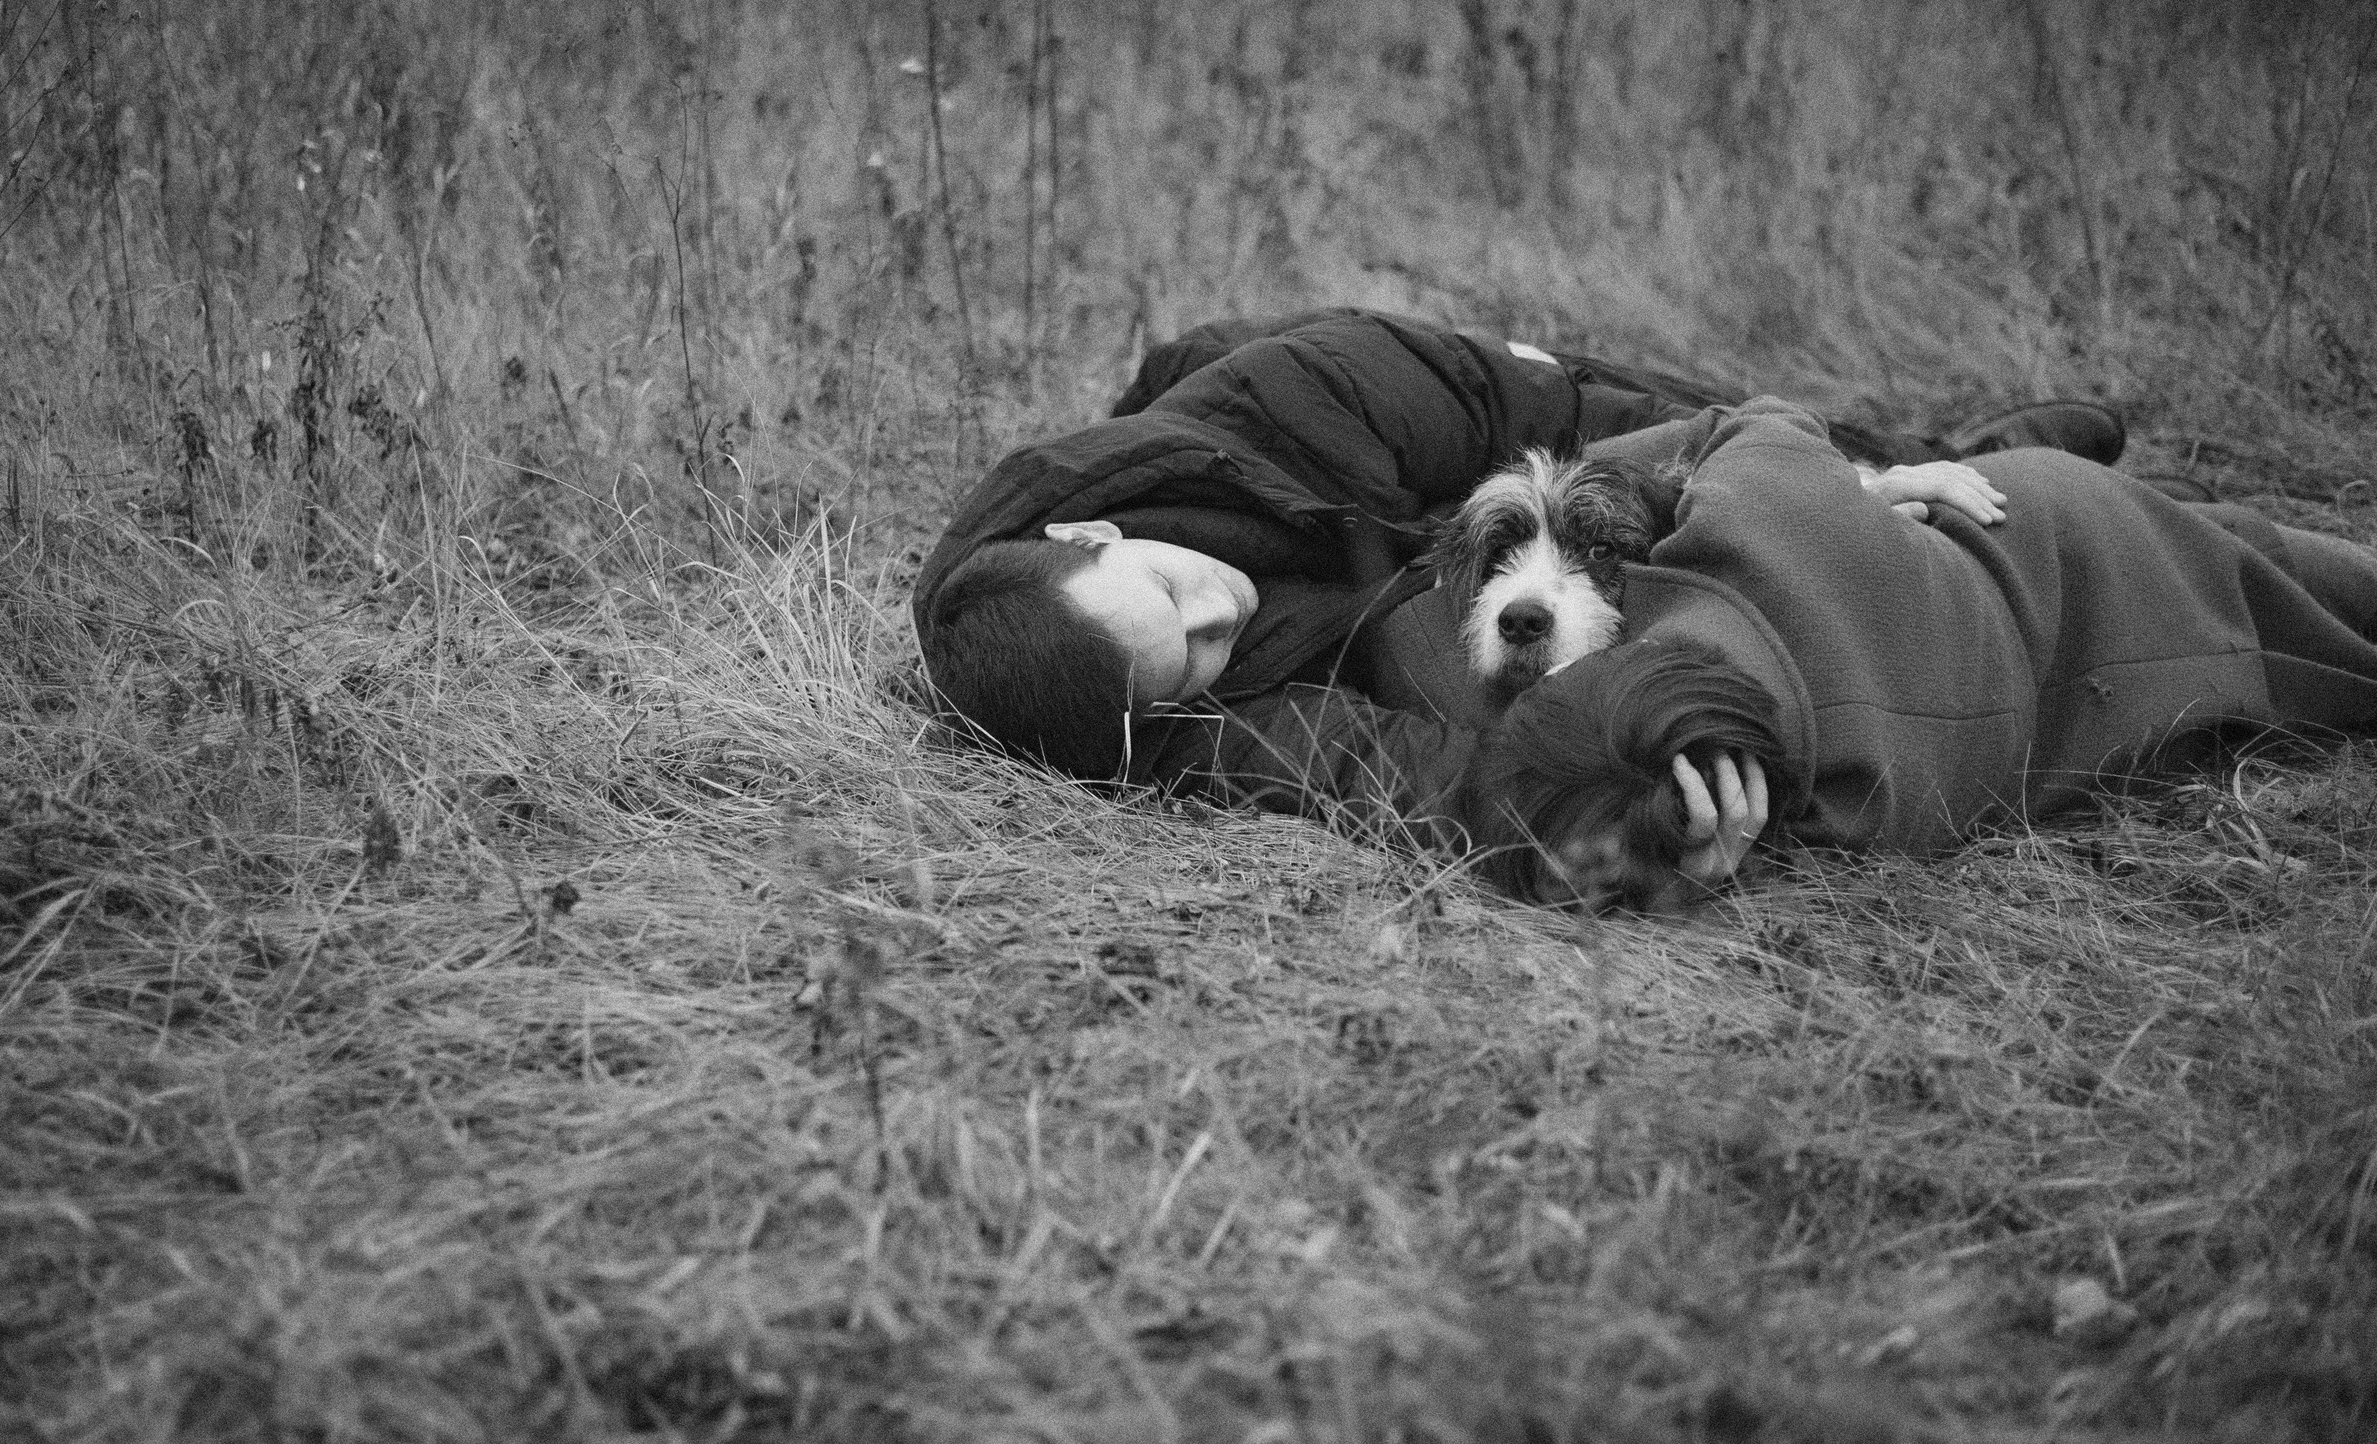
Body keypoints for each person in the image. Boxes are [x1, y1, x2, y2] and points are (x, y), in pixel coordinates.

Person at [914, 308, 2118, 867]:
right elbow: (1391, 779)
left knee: (1690, 437)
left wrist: (1848, 470)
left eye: (1172, 590)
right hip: (1434, 583)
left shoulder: (1295, 390)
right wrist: (1623, 824)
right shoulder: (1139, 717)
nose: (1217, 614)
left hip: (1499, 421)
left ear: (1090, 531)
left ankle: (1947, 438)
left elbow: (1568, 422)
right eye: (1188, 656)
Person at [1459, 397, 2377, 912]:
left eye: (1601, 557)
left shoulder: (1829, 804)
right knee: (2279, 594)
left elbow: (1748, 425)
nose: (1529, 594)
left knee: (2285, 590)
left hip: (2048, 544)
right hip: (2030, 609)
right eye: (1504, 558)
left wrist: (1868, 482)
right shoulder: (1823, 795)